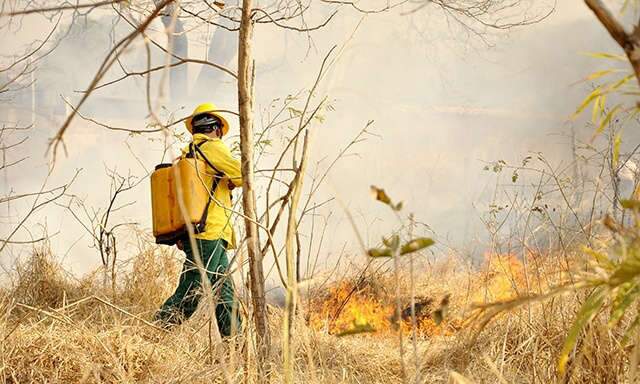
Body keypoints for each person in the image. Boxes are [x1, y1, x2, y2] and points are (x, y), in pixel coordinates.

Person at [155, 103, 242, 337]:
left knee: (224, 292)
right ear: (217, 128)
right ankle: (159, 328)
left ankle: (234, 341)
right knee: (193, 288)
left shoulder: (189, 154)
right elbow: (243, 174)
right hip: (210, 233)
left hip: (200, 232)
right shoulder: (212, 148)